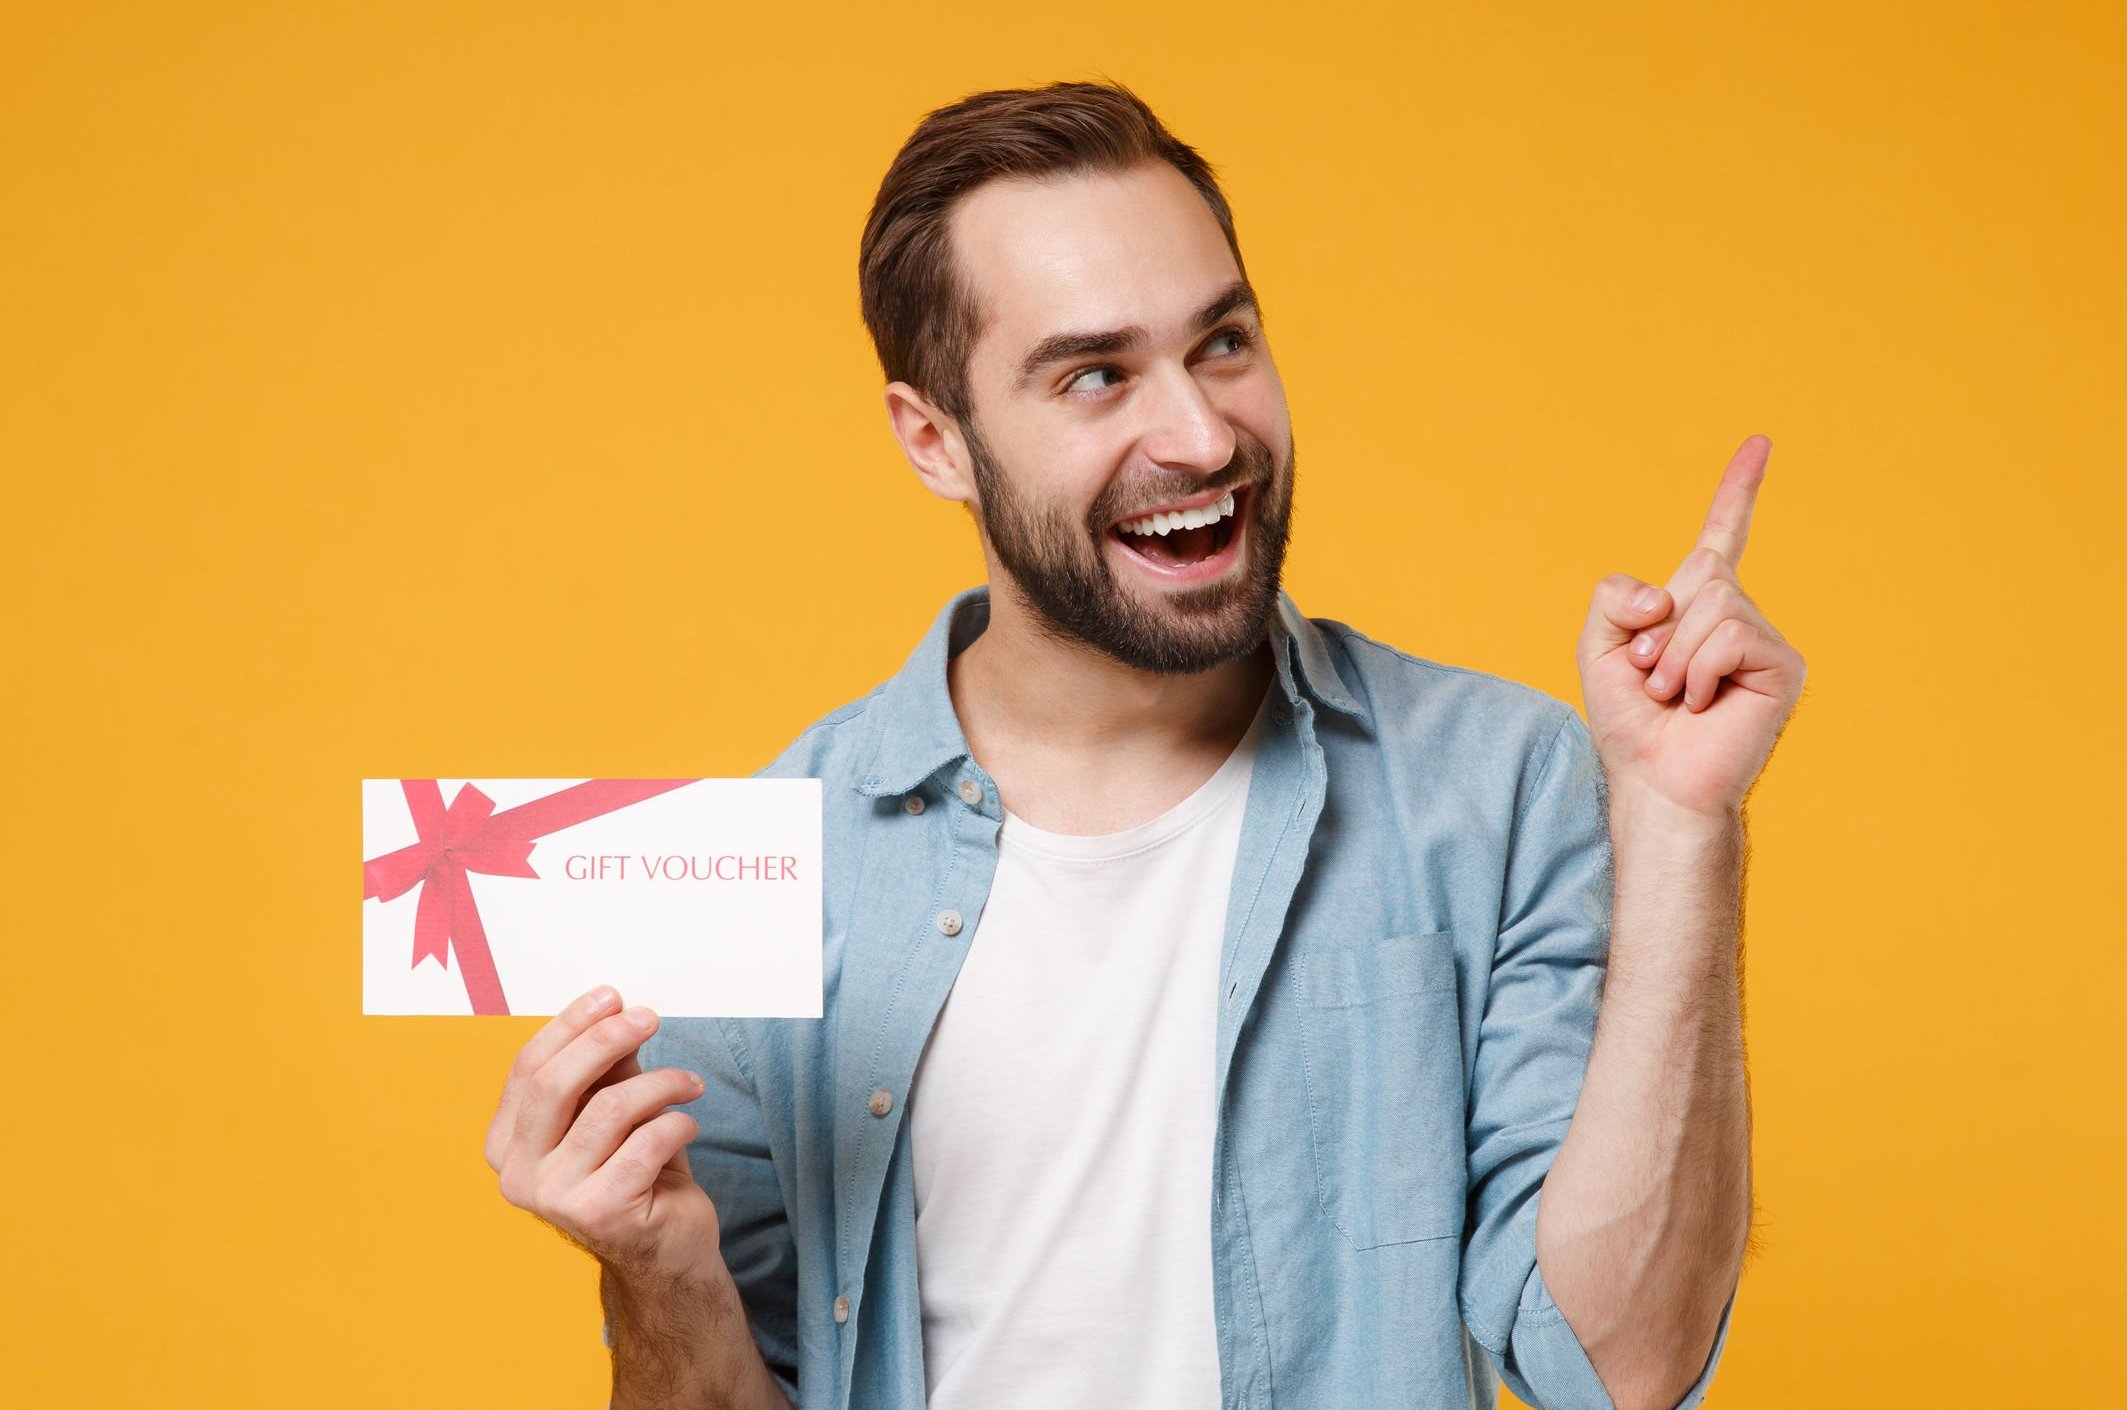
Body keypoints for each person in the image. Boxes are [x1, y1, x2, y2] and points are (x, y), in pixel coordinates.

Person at [481, 78, 1802, 1410]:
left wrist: (1685, 824)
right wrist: (658, 1271)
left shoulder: (1495, 783)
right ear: (936, 440)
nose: (1203, 434)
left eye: (1223, 343)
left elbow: (1617, 1364)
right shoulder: (775, 866)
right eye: (1097, 374)